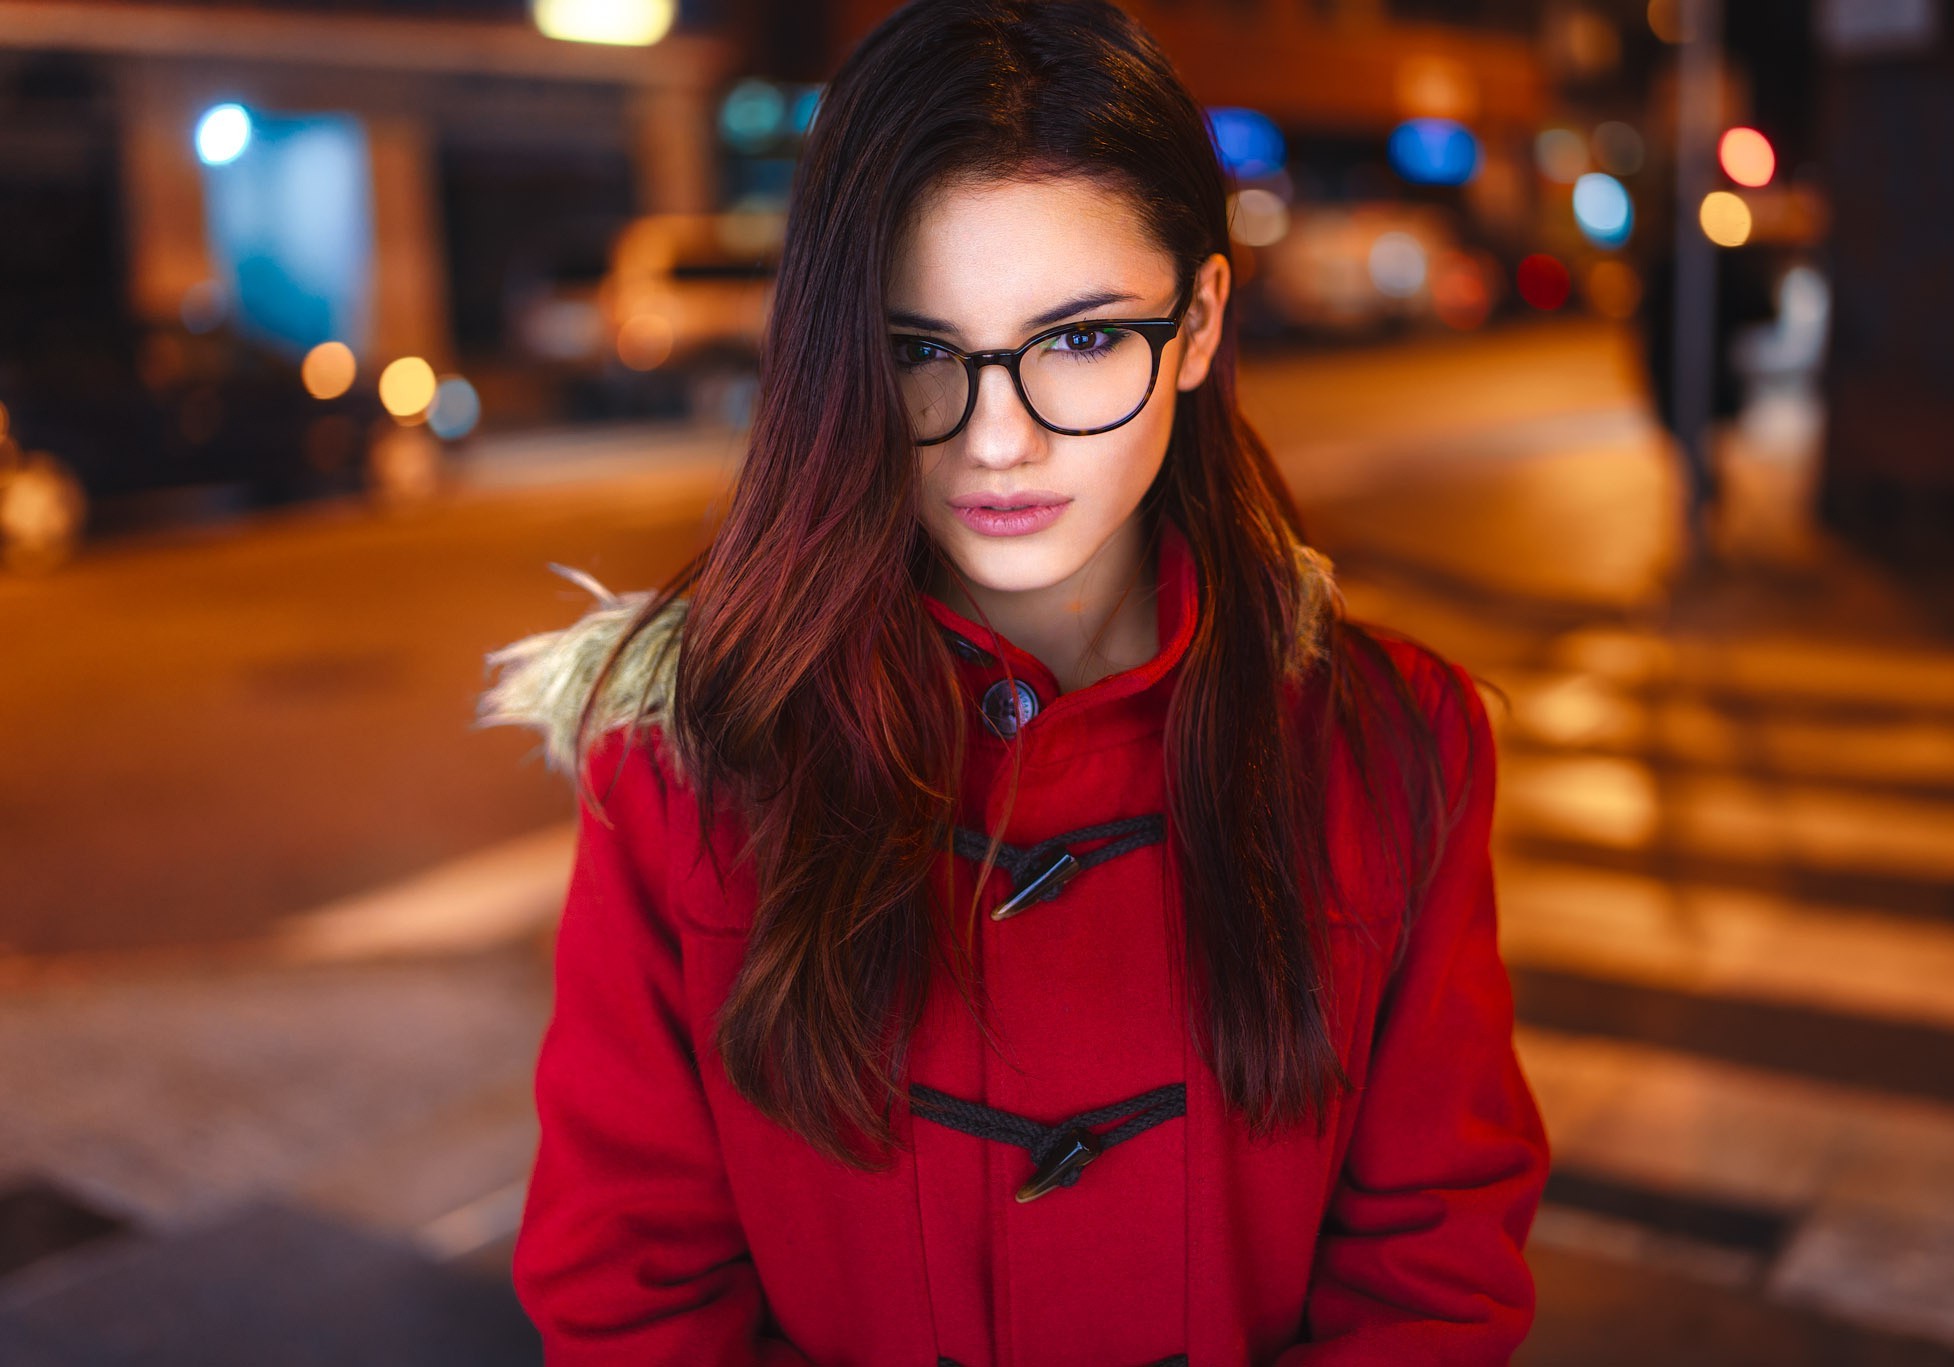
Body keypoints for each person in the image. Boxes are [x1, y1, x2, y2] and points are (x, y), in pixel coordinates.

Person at [477, 1, 1548, 1361]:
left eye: (1083, 340)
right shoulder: (694, 756)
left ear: (1201, 322)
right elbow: (631, 1290)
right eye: (922, 351)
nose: (998, 441)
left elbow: (1434, 1271)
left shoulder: (1389, 748)